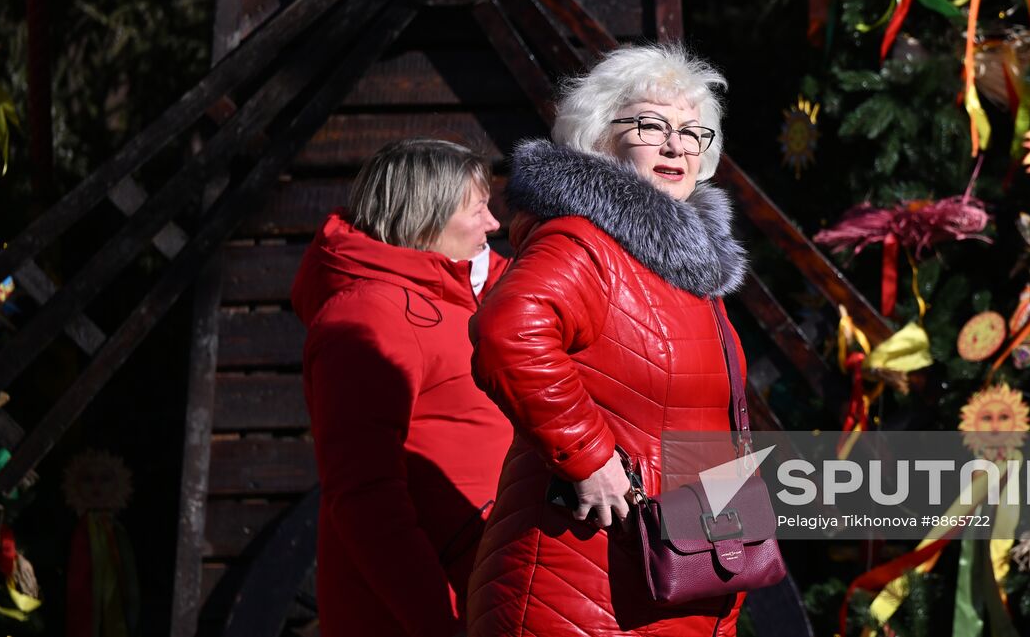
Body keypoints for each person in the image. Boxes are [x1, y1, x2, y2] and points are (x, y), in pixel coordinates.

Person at [465, 44, 751, 637]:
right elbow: (508, 333)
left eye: (692, 132)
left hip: (673, 570)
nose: (675, 146)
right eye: (651, 126)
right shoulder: (582, 242)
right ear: (598, 136)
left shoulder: (684, 269)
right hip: (584, 579)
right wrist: (588, 455)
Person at [290, 138, 510, 637]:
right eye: (477, 209)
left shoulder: (462, 295)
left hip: (481, 590)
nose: (494, 224)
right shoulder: (367, 316)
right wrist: (441, 622)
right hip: (422, 611)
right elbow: (365, 497)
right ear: (425, 217)